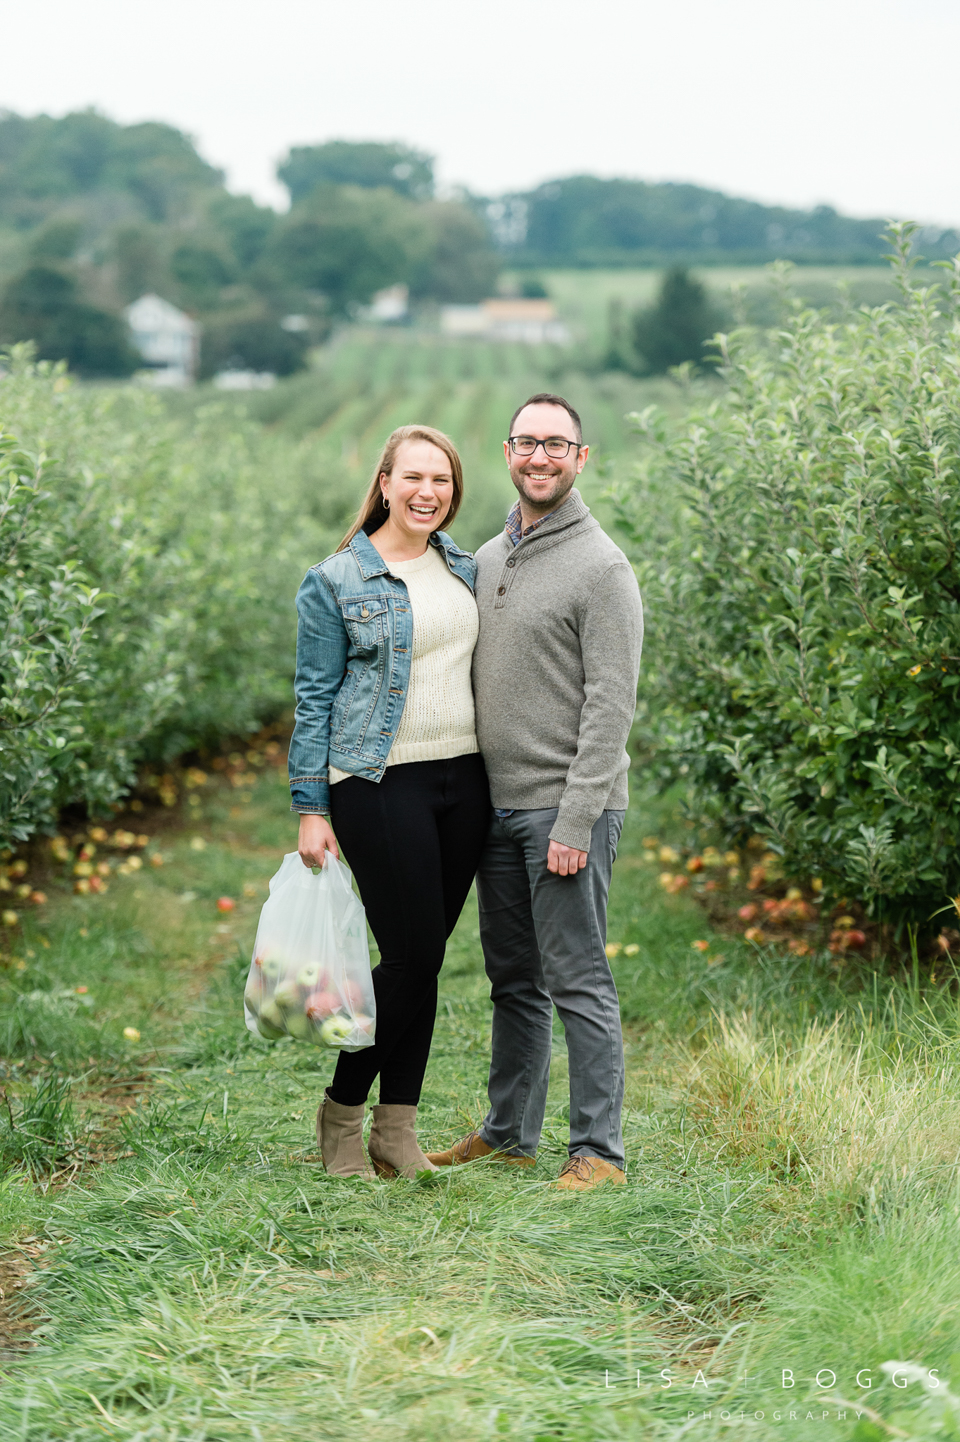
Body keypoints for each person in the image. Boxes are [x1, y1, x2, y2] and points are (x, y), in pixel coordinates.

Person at [426, 393, 644, 1191]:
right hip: (497, 805)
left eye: (557, 444)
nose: (540, 457)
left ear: (581, 458)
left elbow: (611, 704)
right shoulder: (488, 555)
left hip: (564, 806)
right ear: (508, 453)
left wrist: (578, 817)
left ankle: (599, 1152)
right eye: (526, 443)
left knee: (577, 977)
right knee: (513, 979)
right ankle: (509, 1132)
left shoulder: (603, 567)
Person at [289, 425, 490, 1180]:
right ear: (383, 482)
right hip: (375, 781)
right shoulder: (336, 580)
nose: (427, 492)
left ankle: (396, 1133)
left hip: (463, 781)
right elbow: (312, 699)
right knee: (409, 956)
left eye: (441, 480)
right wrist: (312, 807)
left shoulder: (464, 566)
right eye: (413, 477)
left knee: (427, 960)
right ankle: (342, 1113)